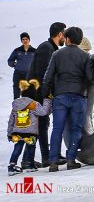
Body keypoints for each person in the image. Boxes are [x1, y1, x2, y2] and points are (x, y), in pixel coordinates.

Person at [42, 27, 94, 172]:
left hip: (60, 97)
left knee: (57, 129)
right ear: (79, 40)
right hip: (78, 97)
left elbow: (48, 76)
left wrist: (45, 93)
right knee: (76, 129)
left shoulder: (57, 54)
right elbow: (90, 77)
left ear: (67, 39)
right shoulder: (85, 56)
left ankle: (53, 162)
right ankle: (71, 160)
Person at [25, 22, 66, 168]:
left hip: (40, 92)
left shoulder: (50, 48)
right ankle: (44, 157)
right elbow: (43, 73)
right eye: (64, 34)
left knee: (41, 124)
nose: (65, 38)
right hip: (37, 92)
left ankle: (36, 158)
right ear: (60, 34)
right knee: (41, 124)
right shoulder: (46, 48)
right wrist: (46, 94)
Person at [7, 80, 52, 175]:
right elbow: (43, 112)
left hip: (17, 132)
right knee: (31, 147)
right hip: (31, 132)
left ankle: (12, 166)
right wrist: (47, 100)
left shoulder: (16, 105)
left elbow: (11, 121)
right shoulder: (33, 104)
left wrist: (9, 133)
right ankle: (30, 165)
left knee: (17, 148)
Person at [8, 32, 36, 99]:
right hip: (18, 73)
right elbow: (10, 60)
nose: (25, 41)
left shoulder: (34, 51)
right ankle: (16, 106)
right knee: (16, 89)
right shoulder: (17, 50)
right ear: (21, 41)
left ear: (29, 40)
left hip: (29, 74)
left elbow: (38, 62)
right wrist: (15, 65)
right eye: (23, 39)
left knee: (28, 92)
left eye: (26, 39)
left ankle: (28, 107)